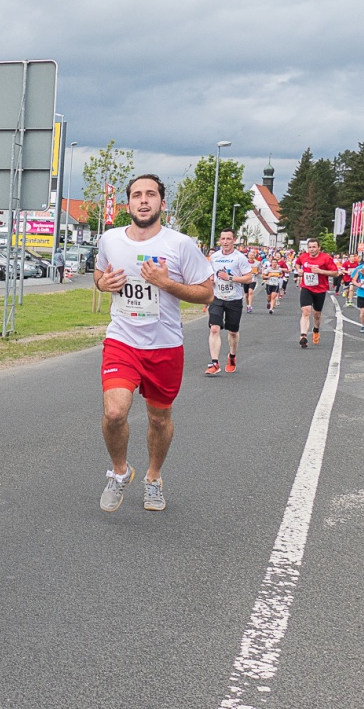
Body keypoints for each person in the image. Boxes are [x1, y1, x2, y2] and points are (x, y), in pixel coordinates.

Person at [94, 174, 213, 512]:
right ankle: (119, 472)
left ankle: (153, 477)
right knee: (115, 412)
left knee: (159, 419)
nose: (143, 201)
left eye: (150, 195)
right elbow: (99, 275)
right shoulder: (110, 239)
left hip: (165, 346)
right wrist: (105, 284)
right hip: (122, 340)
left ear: (162, 203)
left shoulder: (180, 245)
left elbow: (206, 291)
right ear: (127, 204)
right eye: (136, 195)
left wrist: (167, 283)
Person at [205, 229, 252, 375]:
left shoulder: (240, 258)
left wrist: (230, 278)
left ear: (234, 240)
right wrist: (211, 280)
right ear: (220, 240)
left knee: (233, 332)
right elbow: (210, 274)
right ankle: (214, 363)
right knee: (214, 328)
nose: (225, 242)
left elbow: (248, 278)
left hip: (234, 299)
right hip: (217, 298)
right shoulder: (214, 257)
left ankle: (232, 356)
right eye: (223, 239)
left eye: (228, 239)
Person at [293, 238, 340, 348]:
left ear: (319, 248)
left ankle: (316, 329)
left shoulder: (325, 258)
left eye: (314, 247)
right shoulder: (304, 256)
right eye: (310, 247)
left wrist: (320, 271)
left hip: (320, 289)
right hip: (306, 287)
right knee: (306, 311)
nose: (312, 249)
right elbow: (298, 263)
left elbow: (335, 273)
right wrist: (299, 270)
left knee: (317, 314)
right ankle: (303, 336)